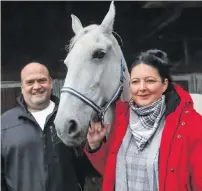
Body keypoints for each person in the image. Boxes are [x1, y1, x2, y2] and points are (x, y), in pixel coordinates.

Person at [84, 49, 202, 191]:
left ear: (164, 84)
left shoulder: (191, 124)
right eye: (135, 82)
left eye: (150, 81)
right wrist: (96, 146)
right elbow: (112, 172)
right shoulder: (121, 120)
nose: (142, 88)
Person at [1, 62, 81, 191]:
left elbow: (86, 168)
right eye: (30, 82)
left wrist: (94, 146)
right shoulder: (5, 123)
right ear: (22, 87)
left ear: (51, 82)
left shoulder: (70, 117)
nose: (37, 86)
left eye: (42, 80)